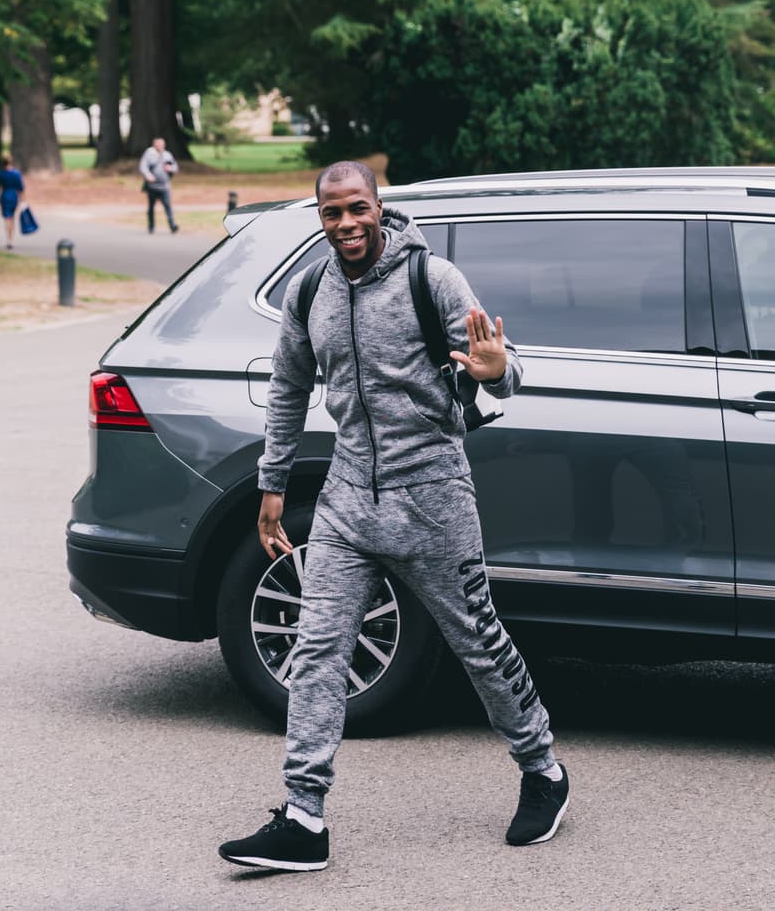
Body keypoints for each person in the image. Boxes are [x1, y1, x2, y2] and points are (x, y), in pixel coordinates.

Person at [218, 161, 569, 873]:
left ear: (379, 208)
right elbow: (287, 387)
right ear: (319, 218)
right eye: (331, 213)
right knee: (317, 649)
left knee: (478, 642)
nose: (346, 223)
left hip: (433, 495)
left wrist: (495, 369)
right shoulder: (309, 289)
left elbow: (504, 369)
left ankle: (544, 771)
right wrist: (273, 483)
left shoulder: (430, 279)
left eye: (356, 209)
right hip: (347, 498)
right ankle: (303, 817)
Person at [139, 136, 179, 233]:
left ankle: (172, 225)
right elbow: (143, 166)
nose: (160, 146)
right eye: (158, 144)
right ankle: (151, 226)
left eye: (162, 144)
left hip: (165, 186)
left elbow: (175, 167)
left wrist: (171, 169)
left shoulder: (167, 155)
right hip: (152, 186)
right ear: (154, 144)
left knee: (168, 205)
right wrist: (148, 176)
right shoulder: (149, 154)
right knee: (151, 207)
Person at [0, 155, 24, 250]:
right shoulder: (16, 173)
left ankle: (9, 239)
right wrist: (22, 199)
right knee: (12, 217)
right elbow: (20, 188)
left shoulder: (0, 174)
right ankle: (11, 239)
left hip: (5, 196)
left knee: (7, 218)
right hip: (14, 196)